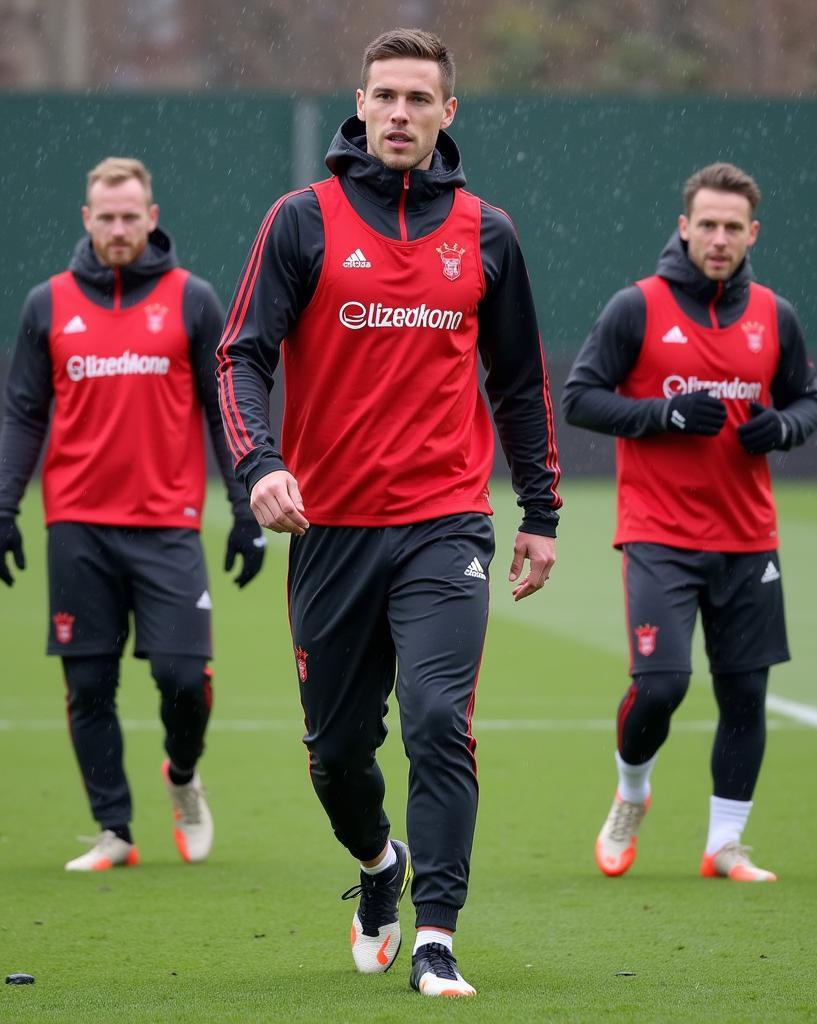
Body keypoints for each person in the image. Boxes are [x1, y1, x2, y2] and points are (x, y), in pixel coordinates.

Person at [216, 28, 561, 997]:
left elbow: (521, 383)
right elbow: (241, 352)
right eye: (386, 97)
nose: (401, 113)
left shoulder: (486, 232)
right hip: (328, 532)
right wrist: (258, 467)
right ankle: (379, 865)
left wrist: (540, 510)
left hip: (445, 522)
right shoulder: (301, 220)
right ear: (359, 107)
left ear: (449, 112)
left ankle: (436, 936)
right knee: (334, 755)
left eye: (420, 97)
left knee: (438, 717)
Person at [0, 157, 265, 872]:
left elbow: (223, 408)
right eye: (104, 217)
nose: (117, 229)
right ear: (86, 219)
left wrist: (244, 510)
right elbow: (23, 414)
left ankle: (181, 774)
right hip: (76, 525)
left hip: (168, 526)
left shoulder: (192, 300)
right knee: (88, 684)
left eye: (129, 216)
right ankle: (115, 829)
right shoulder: (46, 304)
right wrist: (2, 511)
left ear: (152, 216)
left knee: (182, 677)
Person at [563, 162, 817, 883]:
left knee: (745, 694)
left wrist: (784, 428)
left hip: (749, 539)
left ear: (752, 234)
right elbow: (580, 398)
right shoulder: (638, 308)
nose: (718, 238)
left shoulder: (776, 315)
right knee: (663, 686)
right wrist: (662, 414)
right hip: (658, 534)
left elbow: (810, 401)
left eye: (732, 228)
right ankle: (632, 795)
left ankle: (724, 844)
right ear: (683, 227)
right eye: (706, 224)